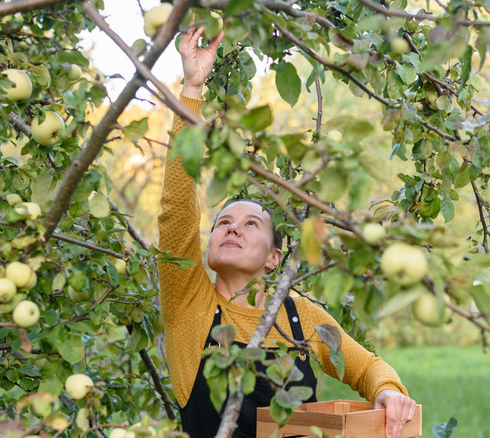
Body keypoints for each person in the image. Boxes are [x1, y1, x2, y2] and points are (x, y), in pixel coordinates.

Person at [158, 24, 417, 438]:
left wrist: (387, 390)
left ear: (274, 257)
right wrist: (191, 89)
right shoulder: (189, 305)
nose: (231, 229)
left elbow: (366, 365)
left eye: (250, 224)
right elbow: (176, 210)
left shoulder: (297, 315)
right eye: (222, 222)